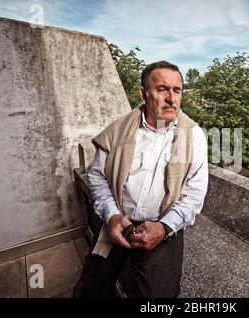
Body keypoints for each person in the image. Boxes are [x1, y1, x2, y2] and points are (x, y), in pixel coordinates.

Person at [73, 61, 208, 298]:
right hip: (117, 224)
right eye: (162, 89)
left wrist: (165, 227)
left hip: (163, 229)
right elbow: (97, 175)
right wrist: (112, 215)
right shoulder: (118, 130)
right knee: (89, 290)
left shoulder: (193, 135)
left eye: (177, 91)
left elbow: (195, 192)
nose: (171, 98)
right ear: (144, 94)